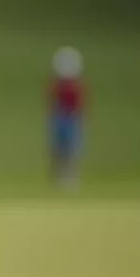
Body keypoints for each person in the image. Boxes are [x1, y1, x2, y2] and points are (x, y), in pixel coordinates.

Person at [47, 46, 86, 188]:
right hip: (60, 118)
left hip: (72, 118)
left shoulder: (77, 86)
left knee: (72, 149)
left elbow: (81, 103)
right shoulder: (57, 85)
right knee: (58, 149)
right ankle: (57, 179)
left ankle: (71, 179)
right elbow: (50, 100)